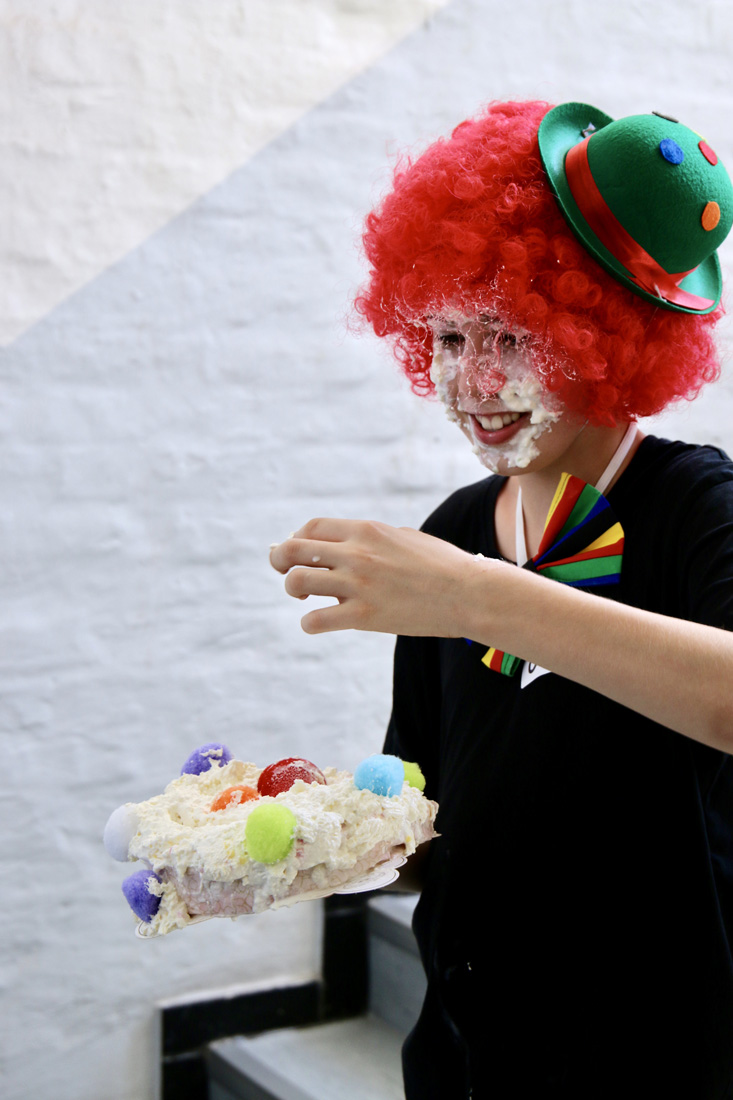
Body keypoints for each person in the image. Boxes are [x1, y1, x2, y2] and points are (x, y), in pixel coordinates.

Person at [270, 100, 733, 1098]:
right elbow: (429, 802)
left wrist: (476, 596)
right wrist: (310, 843)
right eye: (447, 336)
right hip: (470, 1056)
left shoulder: (695, 507)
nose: (471, 381)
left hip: (661, 1056)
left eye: (511, 336)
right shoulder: (452, 531)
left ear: (606, 337)